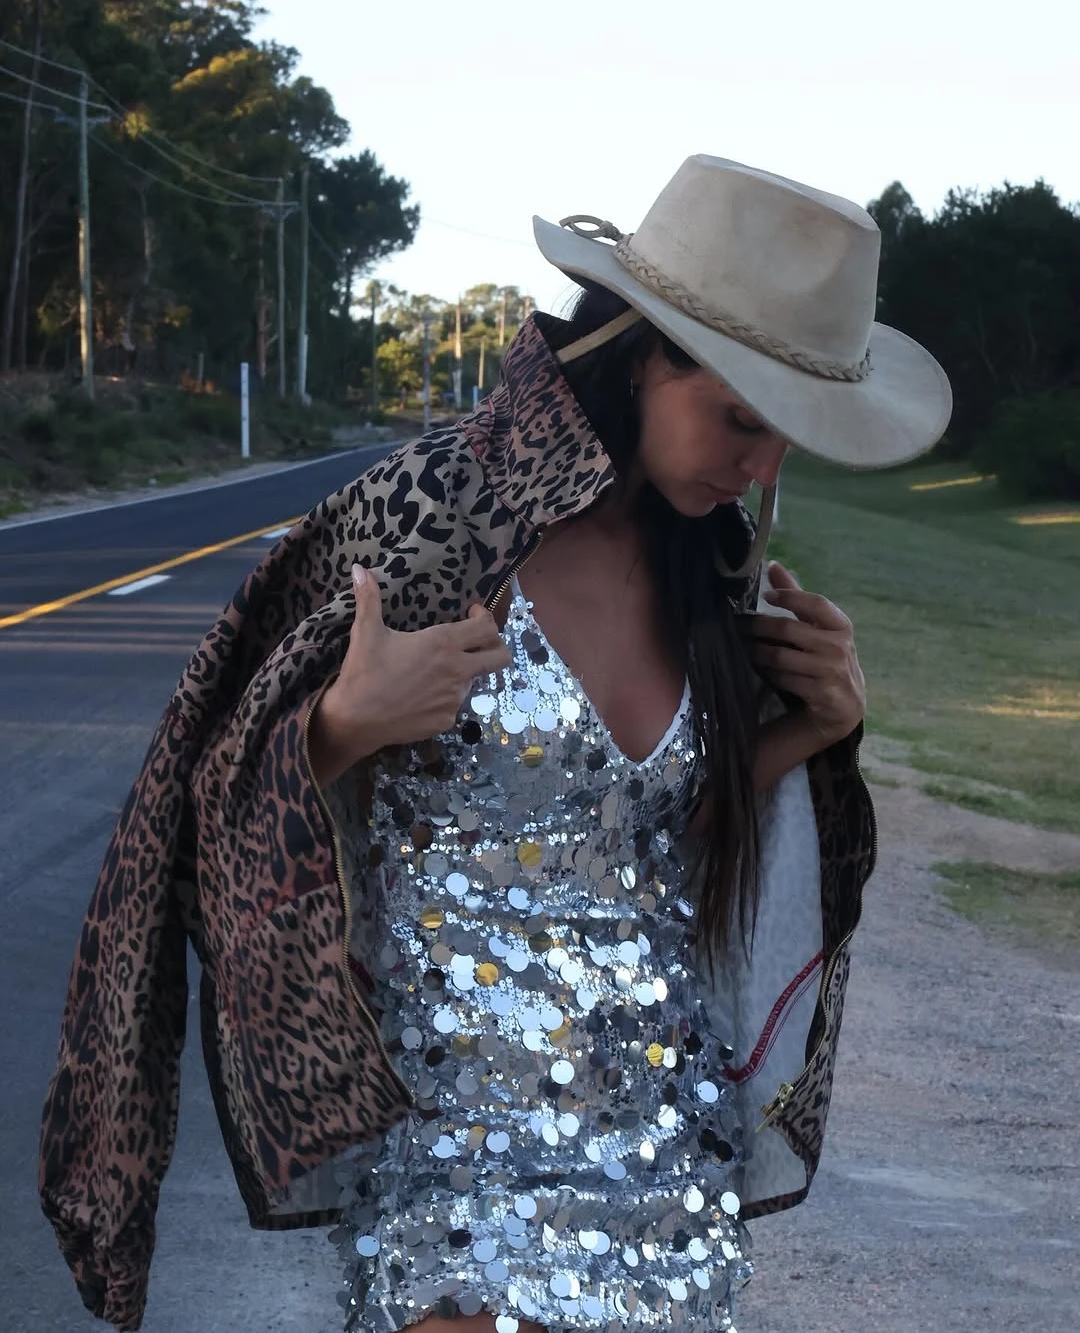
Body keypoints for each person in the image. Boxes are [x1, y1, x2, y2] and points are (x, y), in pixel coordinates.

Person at [39, 155, 951, 1333]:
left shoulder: (716, 570)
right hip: (448, 1152)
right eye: (741, 420)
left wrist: (810, 732)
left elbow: (659, 856)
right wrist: (334, 731)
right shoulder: (431, 518)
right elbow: (203, 804)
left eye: (789, 440)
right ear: (641, 354)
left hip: (664, 1144)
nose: (761, 469)